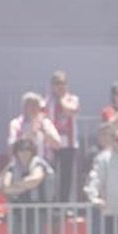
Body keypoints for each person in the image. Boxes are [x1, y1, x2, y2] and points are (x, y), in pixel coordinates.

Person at [0, 138, 54, 234]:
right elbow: (5, 186)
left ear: (32, 151)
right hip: (18, 213)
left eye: (27, 150)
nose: (24, 153)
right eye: (21, 150)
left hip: (36, 212)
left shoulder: (38, 162)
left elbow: (36, 179)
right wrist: (23, 185)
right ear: (16, 152)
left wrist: (17, 186)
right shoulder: (12, 166)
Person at [44, 71, 80, 203]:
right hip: (52, 145)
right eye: (57, 83)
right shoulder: (47, 101)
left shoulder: (72, 99)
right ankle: (51, 201)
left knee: (66, 175)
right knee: (51, 174)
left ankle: (64, 204)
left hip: (68, 144)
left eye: (63, 83)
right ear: (52, 85)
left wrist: (60, 98)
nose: (60, 86)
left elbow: (70, 110)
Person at [8, 92, 60, 161]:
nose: (34, 108)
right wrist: (31, 132)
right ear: (24, 107)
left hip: (43, 163)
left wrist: (44, 130)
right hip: (22, 164)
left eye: (36, 105)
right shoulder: (15, 124)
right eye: (31, 105)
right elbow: (12, 147)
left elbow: (57, 144)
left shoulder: (46, 123)